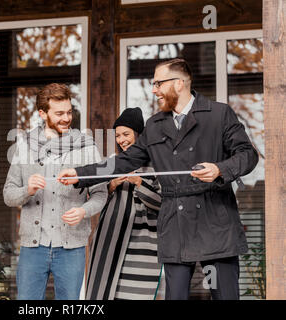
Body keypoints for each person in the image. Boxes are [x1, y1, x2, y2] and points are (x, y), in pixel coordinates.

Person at [58, 58, 259, 300]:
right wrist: (81, 174)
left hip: (215, 221)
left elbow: (248, 155)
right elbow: (123, 162)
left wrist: (219, 169)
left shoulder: (218, 114)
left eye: (158, 83)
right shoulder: (154, 126)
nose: (153, 90)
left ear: (179, 84)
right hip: (175, 225)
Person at [3, 83, 107, 300]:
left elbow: (100, 194)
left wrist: (83, 211)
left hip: (72, 249)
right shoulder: (25, 146)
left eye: (69, 112)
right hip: (33, 248)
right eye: (59, 113)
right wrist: (27, 190)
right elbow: (8, 194)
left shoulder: (87, 147)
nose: (66, 118)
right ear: (43, 113)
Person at [86, 107, 164, 300]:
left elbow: (163, 203)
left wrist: (139, 182)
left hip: (143, 241)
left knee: (136, 293)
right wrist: (111, 185)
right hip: (110, 237)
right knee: (105, 292)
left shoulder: (158, 164)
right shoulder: (113, 163)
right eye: (118, 135)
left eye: (126, 134)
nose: (122, 140)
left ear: (139, 134)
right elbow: (96, 200)